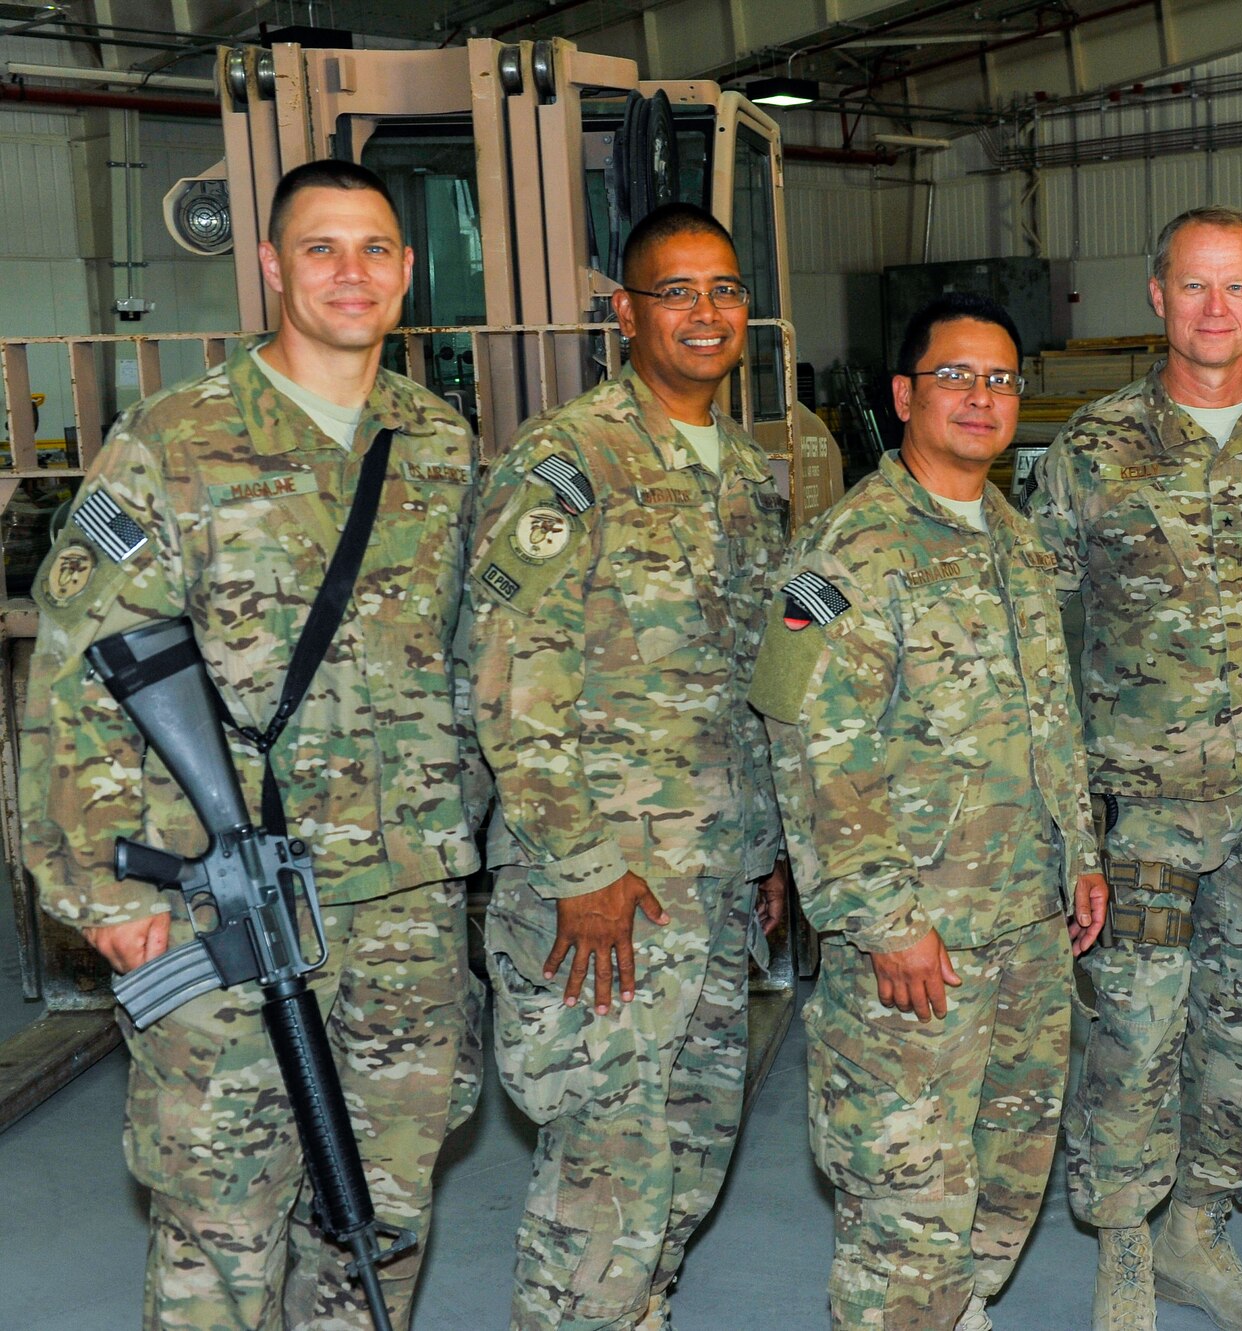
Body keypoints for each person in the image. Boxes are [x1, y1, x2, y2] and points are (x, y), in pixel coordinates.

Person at [18, 159, 486, 1330]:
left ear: (407, 273)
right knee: (222, 1213)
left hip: (400, 896)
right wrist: (97, 888)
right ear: (272, 267)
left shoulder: (436, 444)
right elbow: (79, 667)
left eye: (374, 249)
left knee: (378, 1205)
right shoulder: (173, 439)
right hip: (221, 899)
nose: (350, 272)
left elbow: (472, 651)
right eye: (321, 248)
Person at [1026, 204, 1242, 1331]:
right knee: (1131, 1033)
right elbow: (1033, 632)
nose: (1213, 309)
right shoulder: (1089, 451)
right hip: (1141, 813)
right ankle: (1123, 1243)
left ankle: (1195, 1231)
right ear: (1156, 296)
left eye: (1235, 287)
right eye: (1192, 286)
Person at [749, 293, 1109, 1331]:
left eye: (1000, 379)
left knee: (1002, 1181)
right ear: (904, 394)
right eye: (956, 375)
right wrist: (882, 918)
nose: (981, 397)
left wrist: (1080, 852)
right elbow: (810, 745)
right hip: (919, 940)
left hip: (1029, 927)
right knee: (903, 1207)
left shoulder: (1015, 538)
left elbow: (1053, 713)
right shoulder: (841, 555)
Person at [464, 202, 792, 1331]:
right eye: (676, 292)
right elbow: (508, 678)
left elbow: (755, 682)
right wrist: (577, 861)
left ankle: (637, 1312)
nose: (705, 314)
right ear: (624, 313)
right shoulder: (566, 464)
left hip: (711, 877)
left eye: (724, 290)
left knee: (690, 1140)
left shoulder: (751, 474)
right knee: (604, 1159)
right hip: (605, 888)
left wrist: (767, 847)